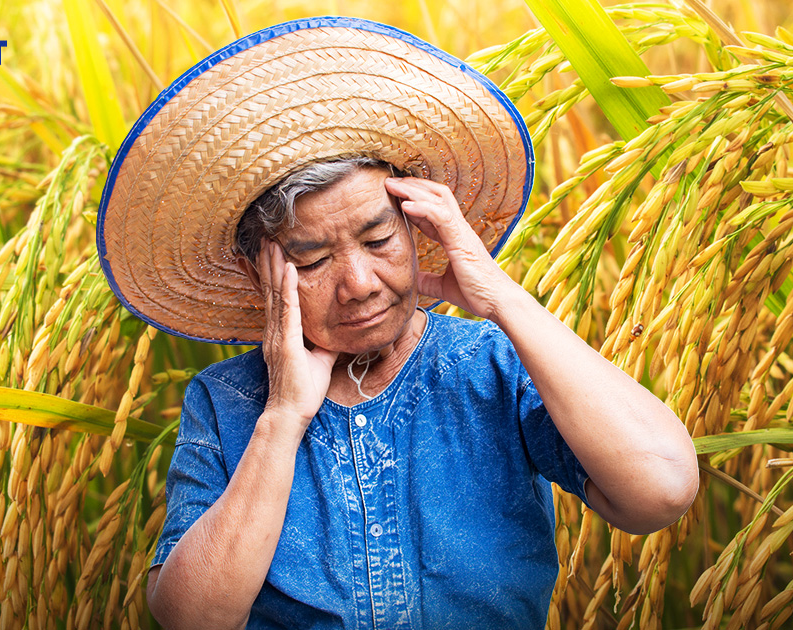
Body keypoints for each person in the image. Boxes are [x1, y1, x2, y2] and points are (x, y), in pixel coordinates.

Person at [95, 18, 698, 630]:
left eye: (379, 237)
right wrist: (282, 418)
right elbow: (190, 620)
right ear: (260, 276)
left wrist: (501, 298)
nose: (359, 283)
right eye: (312, 260)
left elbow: (662, 490)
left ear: (416, 228)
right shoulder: (228, 403)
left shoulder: (490, 366)